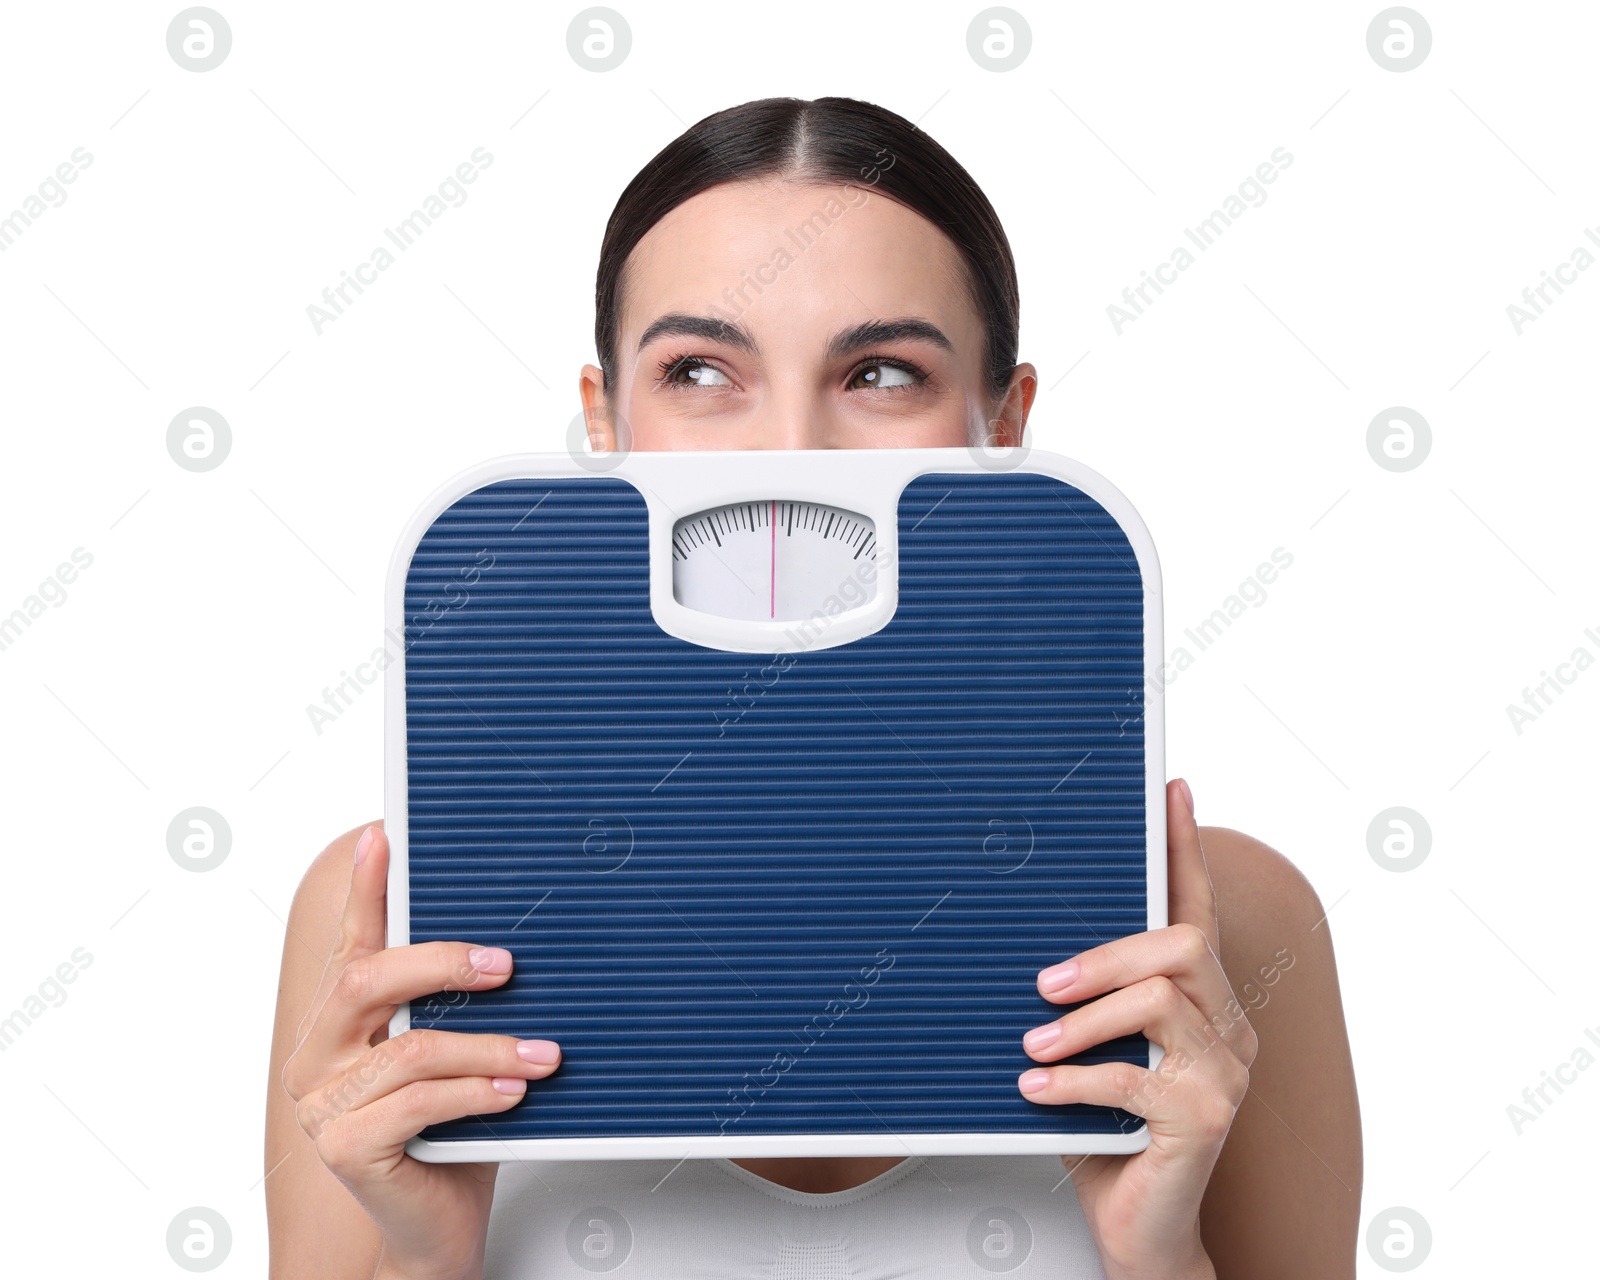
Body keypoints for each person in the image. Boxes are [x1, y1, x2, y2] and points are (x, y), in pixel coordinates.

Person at [265, 97, 1361, 1279]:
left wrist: (1157, 1251)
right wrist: (420, 1255)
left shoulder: (1227, 923)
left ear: (1004, 420)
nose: (789, 448)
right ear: (604, 421)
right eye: (699, 371)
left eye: (881, 373)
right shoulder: (391, 919)